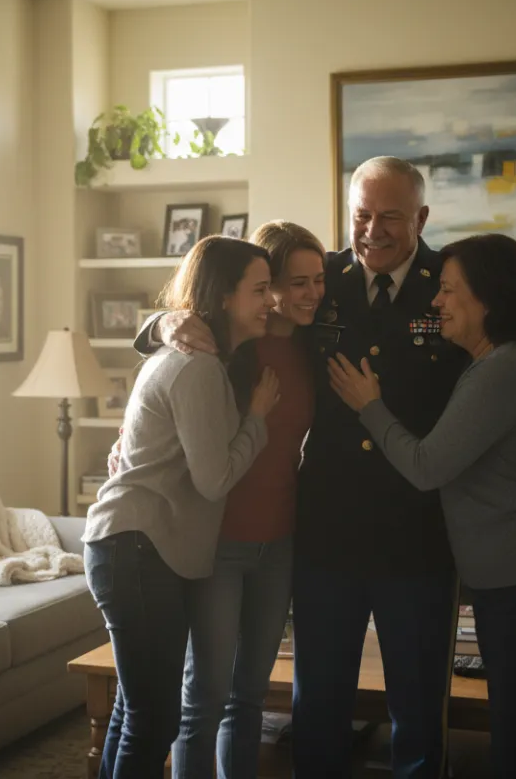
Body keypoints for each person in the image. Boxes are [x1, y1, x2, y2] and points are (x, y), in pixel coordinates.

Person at [136, 156, 516, 778]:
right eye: (360, 215)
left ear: (422, 218)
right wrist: (162, 323)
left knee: (417, 708)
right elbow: (222, 297)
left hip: (420, 532)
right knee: (318, 704)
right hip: (329, 529)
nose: (372, 230)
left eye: (390, 217)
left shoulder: (454, 279)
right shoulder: (318, 280)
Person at [328, 233, 516, 779]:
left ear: (489, 298)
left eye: (450, 291)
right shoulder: (494, 359)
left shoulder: (505, 366)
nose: (436, 302)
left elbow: (426, 466)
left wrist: (370, 407)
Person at [83, 235, 280, 779]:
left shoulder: (202, 359)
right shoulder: (196, 367)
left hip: (136, 548)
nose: (272, 301)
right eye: (260, 290)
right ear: (222, 298)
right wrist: (257, 418)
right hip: (137, 550)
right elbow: (214, 479)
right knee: (154, 718)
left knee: (134, 708)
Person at [171, 221, 327, 779]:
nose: (312, 294)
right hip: (219, 540)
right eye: (295, 283)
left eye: (319, 281)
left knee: (251, 697)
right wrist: (163, 322)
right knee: (204, 698)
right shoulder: (227, 342)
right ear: (264, 286)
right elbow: (172, 368)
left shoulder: (312, 342)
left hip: (279, 542)